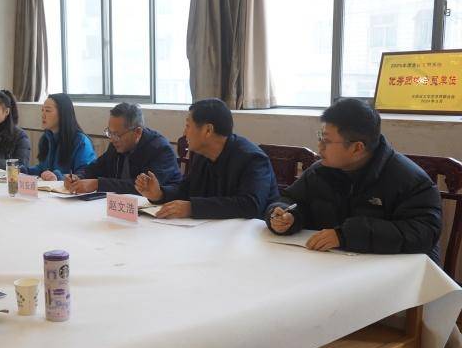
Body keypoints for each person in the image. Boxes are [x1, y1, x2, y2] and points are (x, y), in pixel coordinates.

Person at [265, 98, 442, 259]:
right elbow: (290, 200)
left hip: (391, 272)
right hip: (331, 265)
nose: (319, 146)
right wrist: (286, 216)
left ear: (357, 148)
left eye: (326, 141)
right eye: (320, 137)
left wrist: (345, 236)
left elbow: (424, 233)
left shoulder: (410, 180)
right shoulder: (320, 171)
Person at [135, 98, 278, 220]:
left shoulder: (252, 158)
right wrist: (160, 193)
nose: (184, 133)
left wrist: (192, 208)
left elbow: (250, 205)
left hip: (251, 236)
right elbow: (186, 190)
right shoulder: (201, 154)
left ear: (208, 130)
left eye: (188, 126)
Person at [64, 102, 181, 194]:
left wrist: (98, 184)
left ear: (137, 132)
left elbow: (143, 187)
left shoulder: (161, 150)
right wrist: (78, 176)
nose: (112, 139)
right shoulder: (117, 144)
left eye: (116, 134)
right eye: (109, 133)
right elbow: (97, 167)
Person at [25, 94, 96, 181]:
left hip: (69, 189)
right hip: (51, 188)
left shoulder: (81, 141)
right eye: (42, 110)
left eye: (47, 110)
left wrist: (59, 177)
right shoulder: (46, 138)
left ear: (63, 113)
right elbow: (43, 169)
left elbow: (85, 174)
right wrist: (25, 171)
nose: (43, 115)